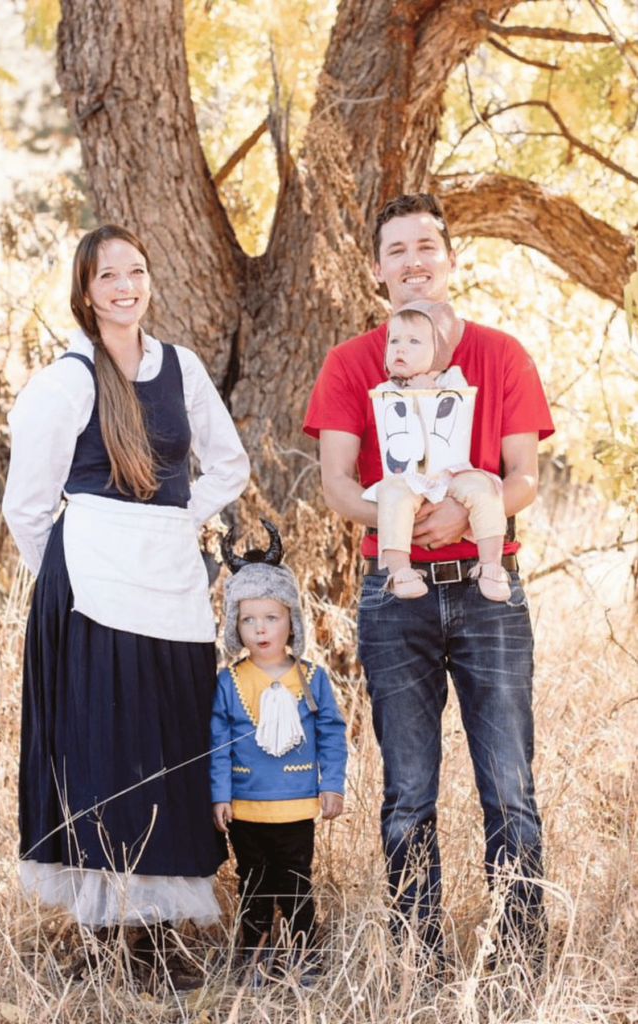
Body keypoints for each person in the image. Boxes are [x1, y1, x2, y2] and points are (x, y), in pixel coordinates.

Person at [303, 193, 554, 971]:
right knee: (408, 790)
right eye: (396, 251)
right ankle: (418, 956)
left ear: (449, 258)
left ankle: (516, 958)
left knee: (508, 784)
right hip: (394, 589)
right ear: (376, 269)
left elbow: (523, 477)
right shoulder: (350, 363)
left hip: (488, 588)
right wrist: (402, 525)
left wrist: (461, 520)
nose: (413, 262)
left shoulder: (501, 354)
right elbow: (337, 482)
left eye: (426, 247)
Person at [2, 224, 250, 989]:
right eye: (107, 275)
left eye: (135, 271)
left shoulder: (181, 367)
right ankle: (111, 941)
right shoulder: (67, 381)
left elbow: (229, 464)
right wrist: (68, 583)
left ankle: (164, 935)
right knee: (106, 757)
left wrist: (176, 519)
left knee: (172, 751)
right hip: (91, 594)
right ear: (85, 291)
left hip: (173, 584)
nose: (124, 286)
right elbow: (27, 506)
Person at [209, 519, 347, 987]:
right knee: (251, 882)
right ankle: (251, 958)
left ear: (292, 620)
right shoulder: (229, 682)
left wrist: (330, 785)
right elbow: (219, 743)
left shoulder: (311, 677)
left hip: (294, 804)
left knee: (295, 883)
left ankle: (303, 958)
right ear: (234, 625)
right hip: (247, 806)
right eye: (248, 619)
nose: (260, 629)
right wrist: (220, 795)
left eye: (271, 617)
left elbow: (331, 732)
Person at [371, 301, 510, 602]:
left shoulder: (452, 379)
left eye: (413, 341)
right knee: (391, 495)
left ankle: (491, 565)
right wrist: (407, 391)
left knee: (484, 489)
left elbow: (452, 408)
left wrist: (430, 390)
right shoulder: (386, 389)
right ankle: (399, 571)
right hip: (409, 475)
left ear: (439, 352)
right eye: (394, 341)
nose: (400, 349)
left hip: (451, 470)